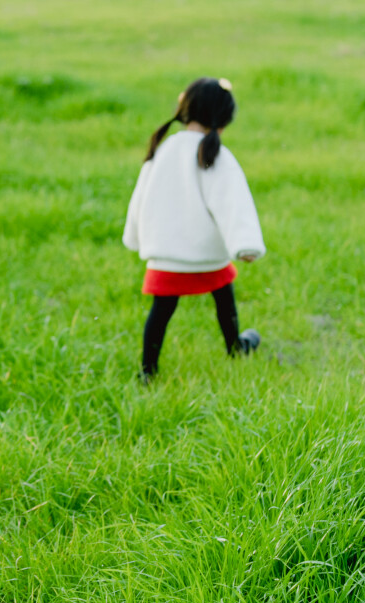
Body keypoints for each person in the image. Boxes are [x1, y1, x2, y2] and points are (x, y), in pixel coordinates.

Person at [123, 77, 266, 381]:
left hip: (166, 255)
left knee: (160, 312)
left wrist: (134, 238)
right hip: (206, 255)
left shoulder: (164, 149)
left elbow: (141, 197)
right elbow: (233, 203)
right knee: (224, 298)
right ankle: (234, 345)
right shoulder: (215, 155)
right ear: (223, 119)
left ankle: (148, 370)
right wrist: (246, 246)